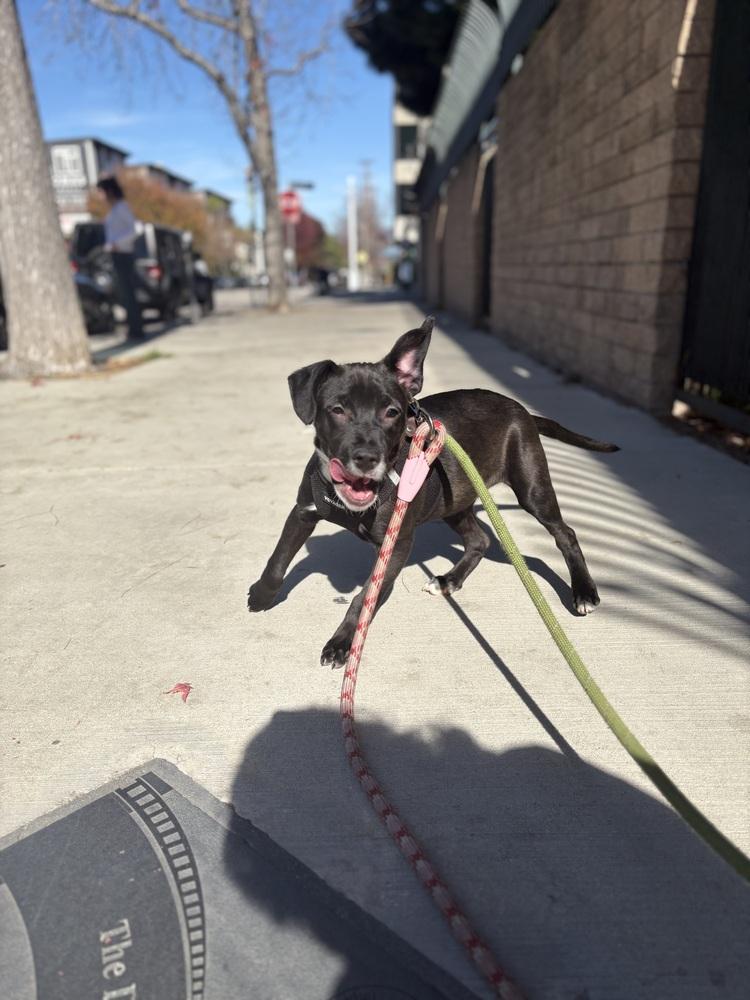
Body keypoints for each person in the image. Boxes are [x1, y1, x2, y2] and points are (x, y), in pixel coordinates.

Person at [96, 176, 144, 340]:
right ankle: (133, 327)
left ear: (109, 191)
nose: (100, 196)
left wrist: (117, 244)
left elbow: (135, 230)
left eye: (101, 192)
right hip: (116, 254)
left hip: (124, 254)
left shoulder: (122, 207)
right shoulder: (114, 209)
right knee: (123, 293)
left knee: (128, 292)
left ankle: (136, 330)